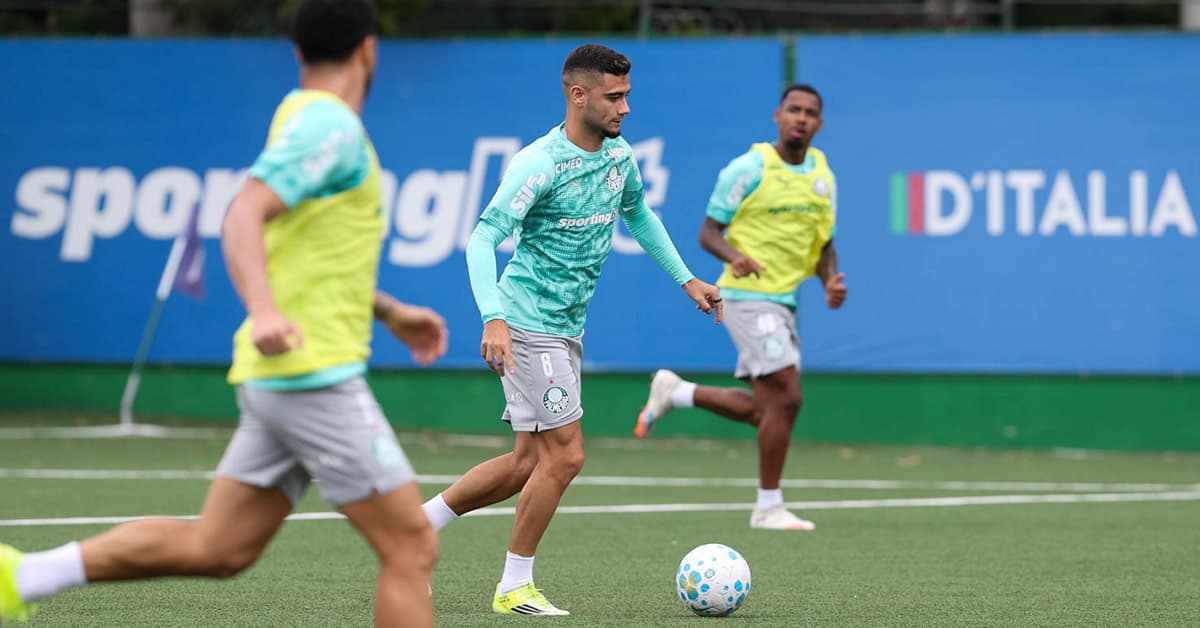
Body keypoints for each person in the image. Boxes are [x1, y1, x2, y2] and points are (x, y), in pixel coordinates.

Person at [0, 1, 447, 625]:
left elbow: (305, 254)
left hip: (286, 375)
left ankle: (22, 574)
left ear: (298, 54)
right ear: (369, 50)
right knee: (411, 543)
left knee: (220, 546)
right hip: (309, 373)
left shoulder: (302, 117)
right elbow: (242, 213)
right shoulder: (331, 128)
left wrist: (389, 310)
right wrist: (262, 312)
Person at [418, 44, 723, 616]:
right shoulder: (540, 164)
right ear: (577, 95)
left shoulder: (618, 157)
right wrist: (494, 317)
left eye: (627, 95)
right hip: (529, 324)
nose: (625, 108)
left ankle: (416, 529)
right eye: (614, 97)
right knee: (567, 456)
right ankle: (514, 587)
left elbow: (639, 214)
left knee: (526, 463)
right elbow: (483, 238)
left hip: (565, 327)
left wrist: (687, 280)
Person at [634, 84, 847, 531]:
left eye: (810, 113)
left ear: (819, 124)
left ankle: (677, 392)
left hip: (783, 302)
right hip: (747, 297)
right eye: (794, 109)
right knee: (788, 397)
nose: (801, 118)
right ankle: (768, 506)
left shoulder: (822, 176)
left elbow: (824, 243)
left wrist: (830, 281)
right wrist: (735, 257)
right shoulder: (748, 169)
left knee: (768, 409)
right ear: (778, 115)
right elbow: (708, 232)